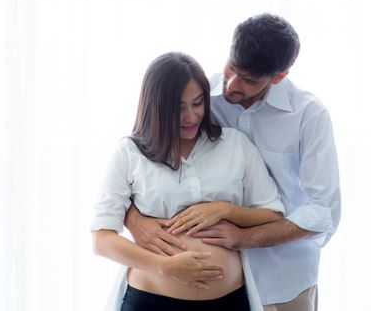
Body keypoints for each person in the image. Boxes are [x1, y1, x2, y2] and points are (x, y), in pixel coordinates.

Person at [125, 13, 341, 311]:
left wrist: (243, 237)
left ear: (279, 77)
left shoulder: (309, 115)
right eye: (232, 68)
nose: (232, 84)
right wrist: (135, 222)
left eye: (249, 80)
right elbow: (139, 161)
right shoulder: (201, 98)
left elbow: (323, 211)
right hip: (217, 289)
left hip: (284, 280)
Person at [91, 52, 285, 311]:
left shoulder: (235, 145)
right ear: (155, 106)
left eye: (197, 103)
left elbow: (272, 214)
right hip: (151, 301)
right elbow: (102, 239)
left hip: (228, 301)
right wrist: (164, 266)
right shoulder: (130, 153)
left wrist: (224, 210)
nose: (191, 117)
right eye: (179, 108)